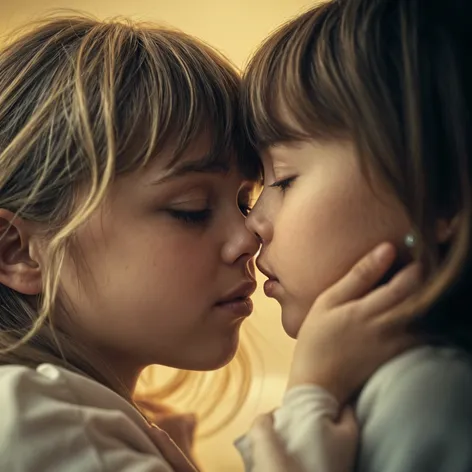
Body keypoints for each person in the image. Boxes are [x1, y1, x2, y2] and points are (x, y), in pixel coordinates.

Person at [0, 13, 420, 472]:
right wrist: (313, 396)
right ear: (18, 252)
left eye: (244, 202)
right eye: (192, 209)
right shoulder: (39, 425)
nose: (249, 237)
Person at [237, 0, 472, 471]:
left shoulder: (431, 395)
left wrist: (309, 397)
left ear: (440, 197)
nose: (251, 224)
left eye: (282, 179)